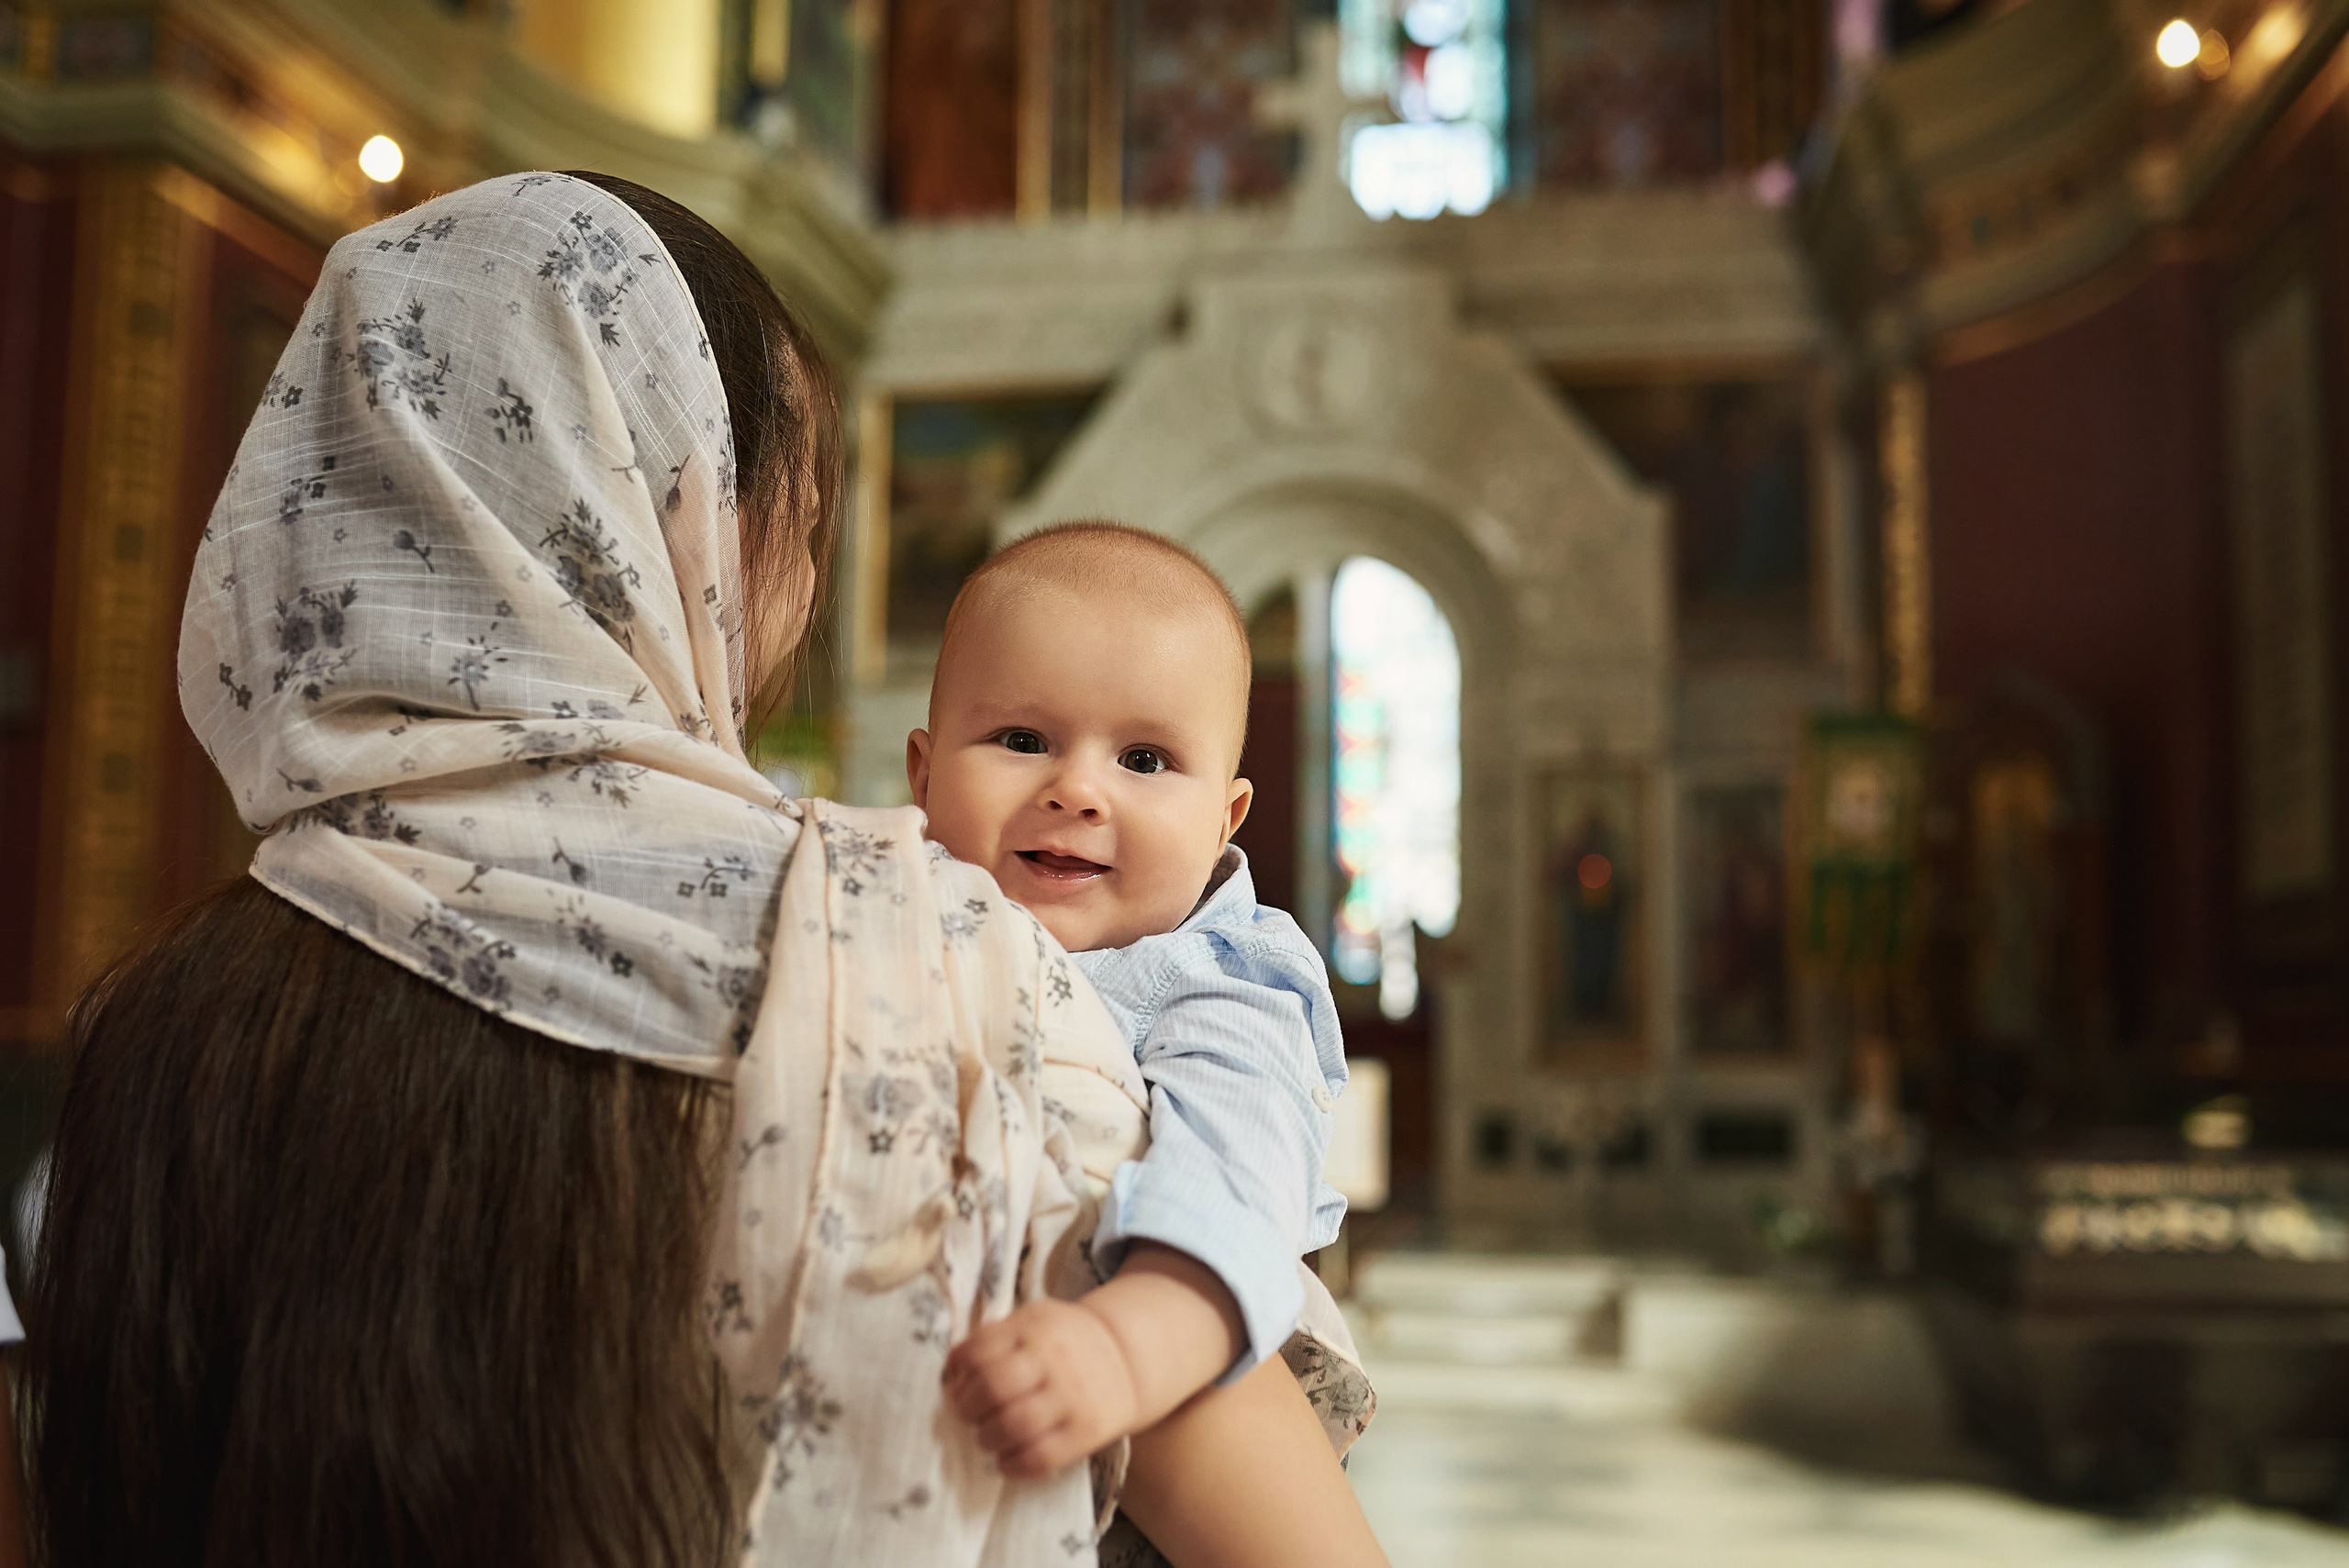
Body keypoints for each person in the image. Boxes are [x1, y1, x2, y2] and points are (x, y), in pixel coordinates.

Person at [18, 172, 1364, 1568]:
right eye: (798, 515)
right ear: (672, 507)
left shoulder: (157, 1016)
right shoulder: (936, 974)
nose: (806, 583)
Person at [914, 523, 1381, 1566]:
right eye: (1022, 739)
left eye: (1144, 759)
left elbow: (1236, 1174)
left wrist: (1125, 1347)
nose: (1078, 789)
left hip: (1163, 1374)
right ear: (922, 772)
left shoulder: (1223, 976)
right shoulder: (896, 900)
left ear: (1225, 820)